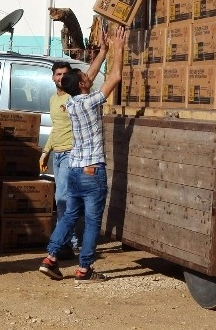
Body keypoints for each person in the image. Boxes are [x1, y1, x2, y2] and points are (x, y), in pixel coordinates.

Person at [38, 26, 126, 283]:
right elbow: (116, 76)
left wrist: (103, 51)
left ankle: (50, 258)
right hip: (92, 170)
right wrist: (117, 50)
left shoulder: (71, 101)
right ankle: (84, 268)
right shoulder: (90, 101)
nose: (88, 78)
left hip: (75, 169)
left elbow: (87, 76)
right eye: (84, 78)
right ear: (81, 85)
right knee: (91, 222)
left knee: (69, 215)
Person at [38, 42, 110, 259]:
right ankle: (66, 246)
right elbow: (56, 128)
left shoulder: (73, 96)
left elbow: (89, 76)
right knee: (63, 203)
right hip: (59, 154)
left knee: (65, 201)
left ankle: (68, 245)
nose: (60, 77)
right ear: (52, 77)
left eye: (64, 74)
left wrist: (104, 53)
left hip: (73, 154)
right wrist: (46, 151)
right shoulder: (54, 100)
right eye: (57, 74)